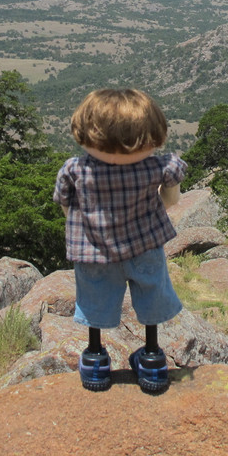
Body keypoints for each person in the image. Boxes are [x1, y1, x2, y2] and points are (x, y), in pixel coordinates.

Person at [53, 88, 187, 393]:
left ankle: (96, 360)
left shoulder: (76, 169)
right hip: (144, 245)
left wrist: (88, 225)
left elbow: (66, 205)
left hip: (94, 251)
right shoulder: (157, 166)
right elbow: (171, 199)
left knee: (95, 297)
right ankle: (152, 360)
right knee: (151, 293)